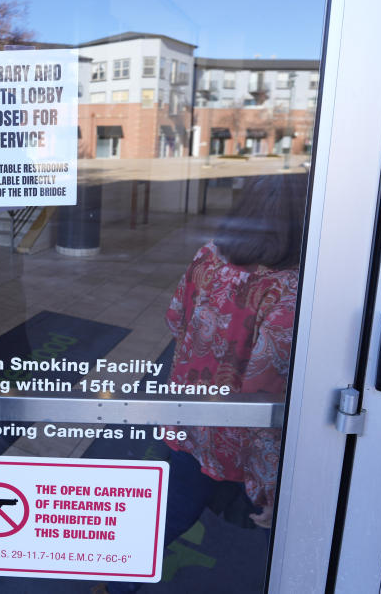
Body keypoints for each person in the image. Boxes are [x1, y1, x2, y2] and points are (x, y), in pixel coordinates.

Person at [105, 173, 306, 594]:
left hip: (188, 414)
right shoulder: (291, 288)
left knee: (169, 514)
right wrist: (268, 482)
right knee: (281, 540)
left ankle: (116, 585)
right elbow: (262, 391)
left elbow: (175, 319)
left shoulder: (208, 256)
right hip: (240, 437)